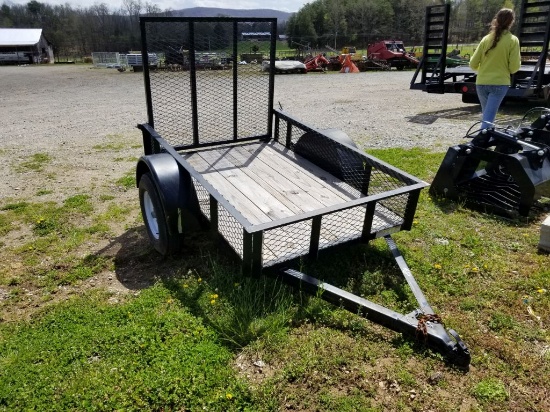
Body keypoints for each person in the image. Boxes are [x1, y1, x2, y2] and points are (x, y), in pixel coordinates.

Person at [469, 8, 521, 129]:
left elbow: (473, 64)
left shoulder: (485, 39)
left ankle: (488, 138)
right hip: (499, 83)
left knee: (487, 115)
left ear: (496, 19)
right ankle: (480, 142)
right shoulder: (513, 40)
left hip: (481, 83)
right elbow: (514, 68)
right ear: (511, 22)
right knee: (488, 118)